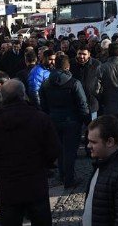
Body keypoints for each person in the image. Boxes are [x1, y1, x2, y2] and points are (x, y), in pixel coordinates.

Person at [0, 79, 60, 226]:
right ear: (23, 95)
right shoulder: (40, 119)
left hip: (8, 186)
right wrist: (42, 164)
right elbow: (54, 149)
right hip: (35, 183)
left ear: (1, 97)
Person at [39, 55, 89, 188]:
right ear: (67, 67)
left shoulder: (45, 84)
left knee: (60, 150)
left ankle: (62, 176)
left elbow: (42, 105)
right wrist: (87, 121)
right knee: (70, 151)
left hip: (53, 120)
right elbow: (82, 104)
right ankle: (69, 179)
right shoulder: (74, 83)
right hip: (72, 121)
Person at [70, 47, 101, 120]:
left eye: (84, 54)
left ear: (89, 54)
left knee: (92, 128)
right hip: (75, 103)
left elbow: (101, 80)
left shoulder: (96, 64)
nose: (81, 56)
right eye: (79, 54)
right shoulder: (71, 63)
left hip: (92, 103)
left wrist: (97, 93)